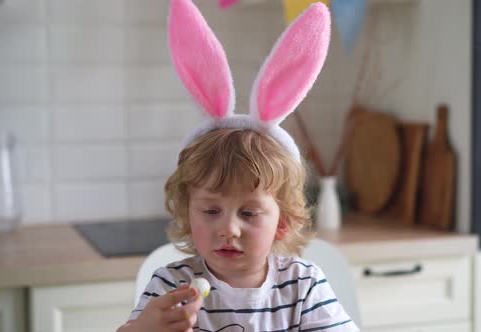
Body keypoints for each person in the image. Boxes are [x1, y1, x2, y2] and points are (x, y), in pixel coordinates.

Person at [118, 0, 359, 331]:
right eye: (211, 211)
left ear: (283, 223)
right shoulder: (171, 285)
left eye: (248, 213)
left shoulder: (303, 286)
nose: (228, 229)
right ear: (188, 213)